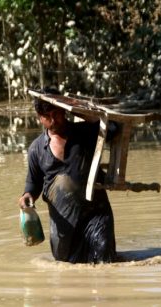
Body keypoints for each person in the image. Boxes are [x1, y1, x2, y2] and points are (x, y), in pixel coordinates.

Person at [19, 89, 117, 264]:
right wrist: (27, 197)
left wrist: (80, 111)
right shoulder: (36, 149)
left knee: (106, 264)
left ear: (64, 111)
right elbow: (33, 184)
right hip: (64, 226)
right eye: (47, 116)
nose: (54, 120)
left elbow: (115, 126)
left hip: (96, 215)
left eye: (57, 113)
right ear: (39, 117)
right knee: (66, 267)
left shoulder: (85, 132)